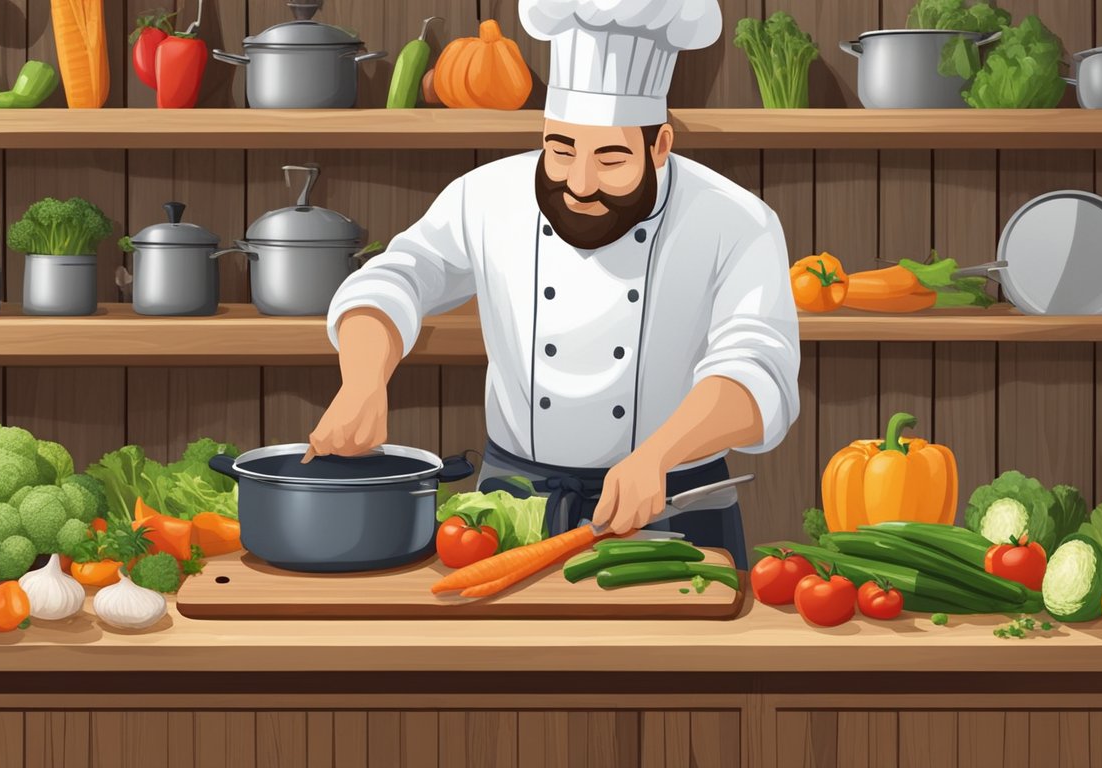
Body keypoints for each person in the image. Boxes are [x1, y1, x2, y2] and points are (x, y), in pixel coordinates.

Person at [308, 0, 800, 568]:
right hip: (513, 504)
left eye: (611, 158)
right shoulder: (486, 196)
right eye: (561, 149)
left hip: (672, 506)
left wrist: (659, 456)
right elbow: (396, 279)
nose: (580, 183)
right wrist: (362, 383)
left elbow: (757, 370)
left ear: (660, 144)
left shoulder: (737, 219)